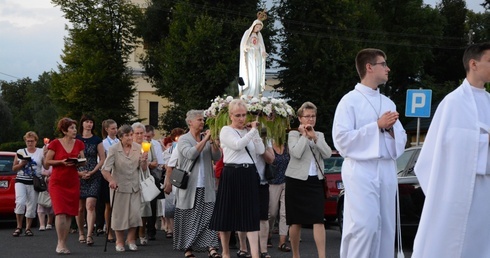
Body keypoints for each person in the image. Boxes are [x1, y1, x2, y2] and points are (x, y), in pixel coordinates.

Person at [412, 42, 490, 257]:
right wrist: (484, 141)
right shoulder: (453, 102)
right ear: (473, 64)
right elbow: (441, 148)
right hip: (455, 191)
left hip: (485, 191)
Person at [332, 48, 407, 258]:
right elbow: (342, 140)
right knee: (364, 227)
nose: (388, 68)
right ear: (369, 67)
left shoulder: (388, 102)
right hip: (361, 170)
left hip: (385, 170)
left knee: (385, 226)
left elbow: (400, 140)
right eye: (383, 64)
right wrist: (376, 126)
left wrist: (390, 130)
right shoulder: (349, 101)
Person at [209, 99, 265, 258]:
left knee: (251, 214)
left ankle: (255, 254)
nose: (241, 118)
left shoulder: (249, 131)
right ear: (231, 115)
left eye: (244, 115)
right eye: (238, 115)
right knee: (227, 213)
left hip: (248, 174)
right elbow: (238, 145)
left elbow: (260, 150)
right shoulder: (226, 130)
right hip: (232, 173)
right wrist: (252, 132)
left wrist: (255, 134)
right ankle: (226, 252)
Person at [170, 110, 221, 258]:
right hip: (189, 187)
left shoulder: (206, 138)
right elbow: (191, 154)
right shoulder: (184, 139)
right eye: (199, 119)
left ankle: (211, 248)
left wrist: (213, 142)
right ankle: (188, 248)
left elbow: (217, 157)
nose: (202, 122)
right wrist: (205, 141)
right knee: (188, 218)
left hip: (206, 186)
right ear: (190, 122)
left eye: (203, 120)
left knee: (209, 217)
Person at [285, 102, 332, 258]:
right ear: (300, 118)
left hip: (315, 181)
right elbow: (296, 153)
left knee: (318, 219)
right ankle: (296, 254)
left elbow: (327, 154)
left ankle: (322, 256)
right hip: (296, 181)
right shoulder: (293, 134)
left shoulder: (320, 135)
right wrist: (305, 136)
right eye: (307, 116)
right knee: (295, 221)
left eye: (313, 116)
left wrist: (315, 138)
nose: (311, 119)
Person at [101, 124, 146, 252]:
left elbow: (143, 169)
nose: (130, 137)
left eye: (131, 135)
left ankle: (131, 240)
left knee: (135, 215)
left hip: (134, 186)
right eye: (127, 135)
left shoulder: (138, 148)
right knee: (119, 216)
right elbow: (105, 170)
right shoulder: (114, 149)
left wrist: (143, 161)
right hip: (119, 187)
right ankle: (119, 241)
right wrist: (111, 180)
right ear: (120, 137)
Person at [44, 118, 86, 254]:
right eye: (72, 128)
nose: (75, 130)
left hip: (72, 181)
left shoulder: (79, 143)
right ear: (64, 130)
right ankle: (60, 243)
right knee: (60, 212)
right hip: (58, 182)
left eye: (75, 128)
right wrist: (61, 162)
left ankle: (64, 242)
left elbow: (83, 161)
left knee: (69, 214)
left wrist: (78, 163)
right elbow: (47, 162)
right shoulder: (55, 143)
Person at [75, 114, 105, 246]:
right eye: (87, 122)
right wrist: (80, 172)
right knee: (80, 208)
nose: (89, 124)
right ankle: (81, 232)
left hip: (93, 173)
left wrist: (93, 171)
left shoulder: (97, 140)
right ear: (82, 124)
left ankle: (89, 234)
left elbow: (103, 158)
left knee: (90, 205)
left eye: (91, 122)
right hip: (79, 173)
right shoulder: (76, 139)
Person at [12, 131, 44, 237]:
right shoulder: (20, 152)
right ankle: (19, 226)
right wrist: (22, 164)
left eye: (32, 141)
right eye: (28, 141)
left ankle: (28, 228)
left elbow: (46, 166)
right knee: (20, 202)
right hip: (21, 180)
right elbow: (14, 168)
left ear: (36, 141)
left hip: (34, 181)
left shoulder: (40, 152)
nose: (30, 143)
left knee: (32, 204)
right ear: (25, 141)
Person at [132, 122, 157, 246]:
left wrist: (148, 162)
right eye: (137, 133)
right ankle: (133, 233)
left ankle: (142, 232)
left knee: (145, 206)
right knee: (133, 207)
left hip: (145, 177)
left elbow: (155, 161)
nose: (140, 135)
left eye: (142, 133)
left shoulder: (148, 145)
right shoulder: (129, 146)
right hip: (132, 177)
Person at [95, 119, 118, 242]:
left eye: (116, 128)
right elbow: (101, 160)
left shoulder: (120, 141)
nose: (115, 130)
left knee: (118, 205)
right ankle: (109, 230)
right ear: (107, 129)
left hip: (119, 174)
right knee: (108, 205)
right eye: (113, 128)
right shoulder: (103, 143)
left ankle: (117, 229)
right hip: (107, 174)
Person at [267, 140, 290, 252]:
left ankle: (282, 242)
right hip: (272, 182)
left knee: (284, 213)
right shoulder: (268, 145)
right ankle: (268, 234)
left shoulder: (287, 146)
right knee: (272, 213)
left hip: (286, 182)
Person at [239, 11, 267, 97]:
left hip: (257, 56)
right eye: (257, 27)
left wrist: (263, 52)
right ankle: (248, 92)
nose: (258, 29)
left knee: (256, 73)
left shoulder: (259, 35)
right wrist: (246, 47)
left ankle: (255, 93)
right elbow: (243, 44)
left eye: (259, 28)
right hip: (249, 56)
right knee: (250, 73)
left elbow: (261, 45)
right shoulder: (247, 33)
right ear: (254, 26)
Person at [144, 125, 165, 241]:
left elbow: (158, 162)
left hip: (153, 175)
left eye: (148, 136)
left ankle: (151, 229)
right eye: (144, 135)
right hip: (141, 175)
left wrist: (150, 164)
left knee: (152, 203)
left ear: (152, 135)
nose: (146, 138)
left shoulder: (155, 145)